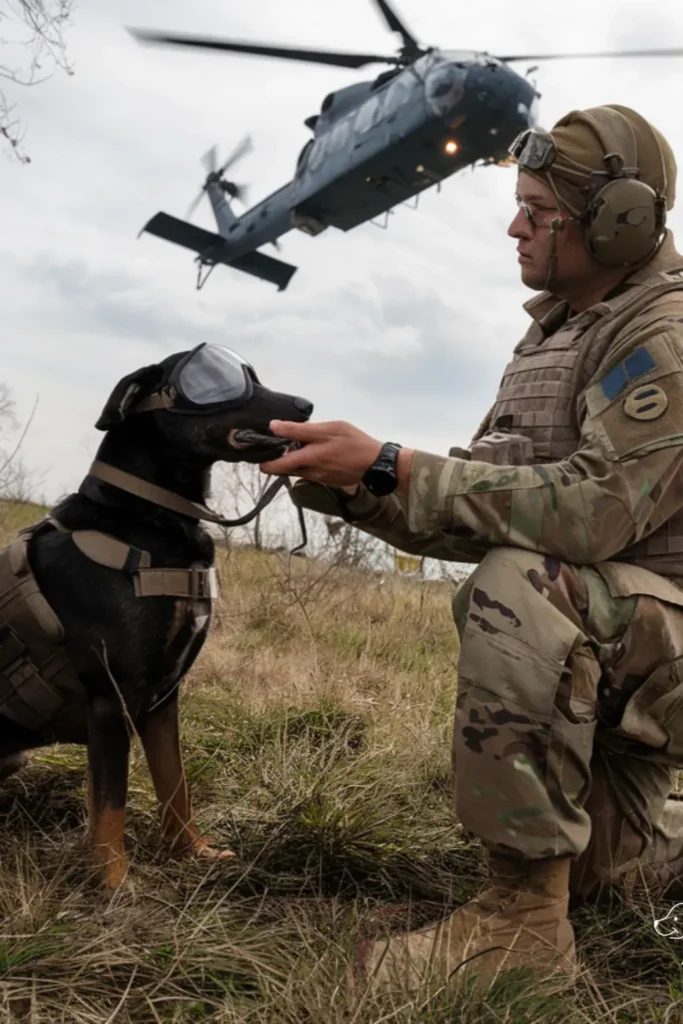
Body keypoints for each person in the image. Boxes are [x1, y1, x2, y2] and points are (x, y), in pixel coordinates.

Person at [259, 104, 683, 995]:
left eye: (538, 211)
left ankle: (518, 932)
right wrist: (354, 485)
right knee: (609, 877)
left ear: (620, 221)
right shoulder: (554, 336)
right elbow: (484, 506)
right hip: (635, 662)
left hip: (660, 652)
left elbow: (589, 518)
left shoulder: (662, 337)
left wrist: (392, 461)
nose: (513, 226)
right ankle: (624, 850)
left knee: (520, 583)